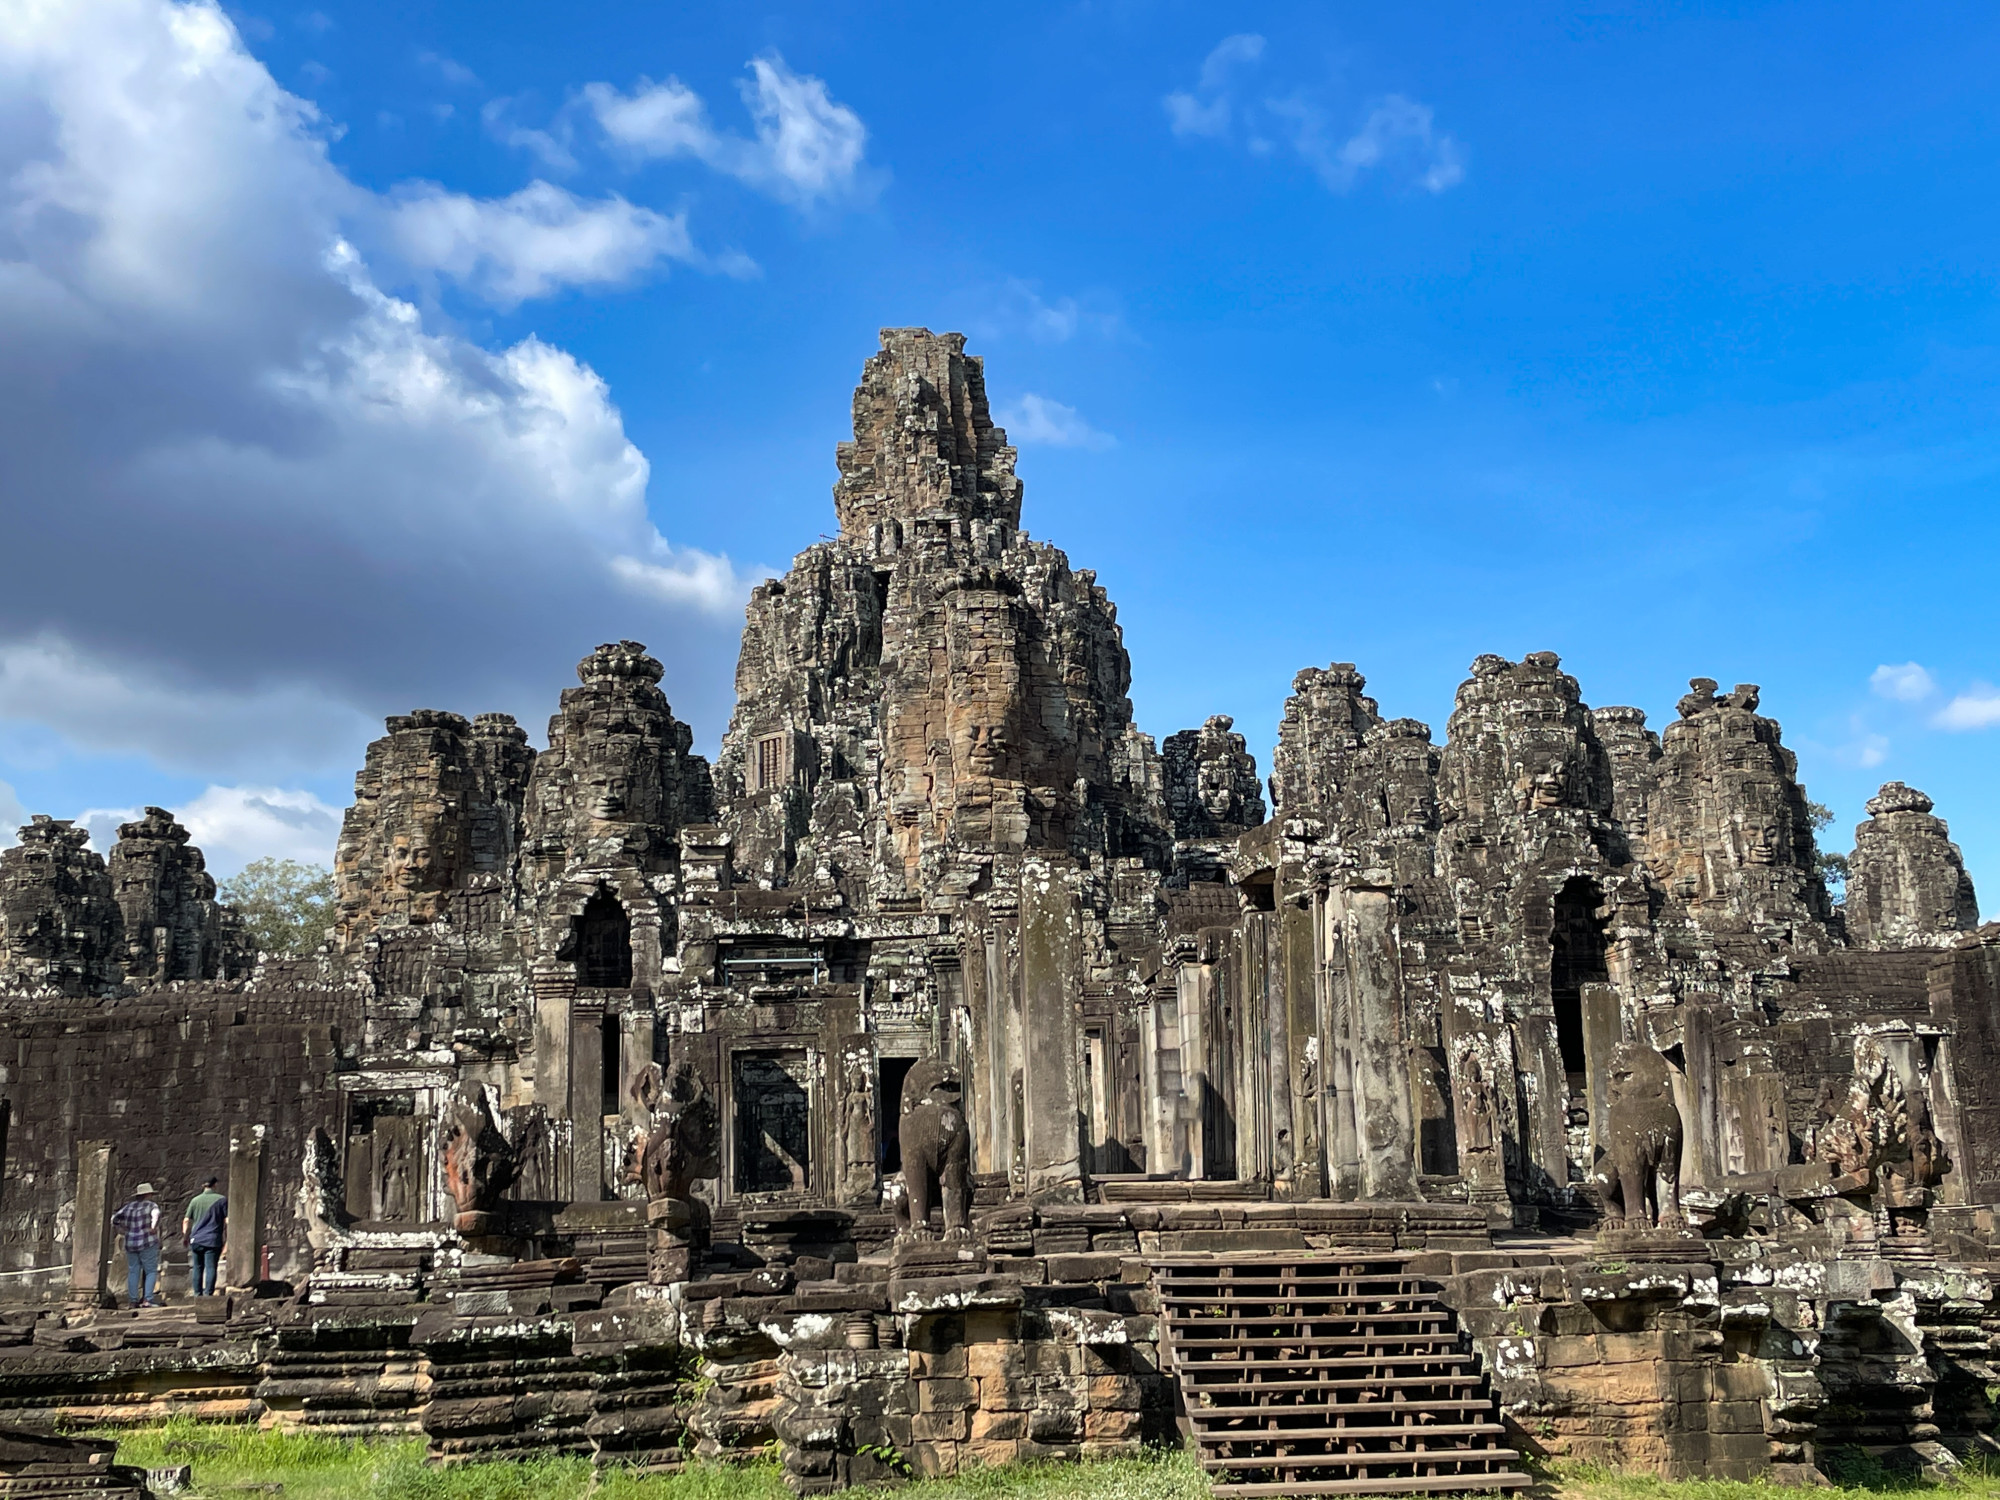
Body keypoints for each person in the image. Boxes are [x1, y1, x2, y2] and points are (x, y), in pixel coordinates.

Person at [109, 1182, 163, 1308]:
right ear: (148, 1194)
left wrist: (122, 1228)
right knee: (150, 1271)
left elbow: (114, 1219)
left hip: (131, 1242)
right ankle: (148, 1299)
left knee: (133, 1271)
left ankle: (133, 1300)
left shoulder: (129, 1207)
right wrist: (153, 1227)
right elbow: (156, 1214)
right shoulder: (151, 1205)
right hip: (147, 1241)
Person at [182, 1177, 227, 1297]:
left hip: (196, 1239)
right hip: (212, 1239)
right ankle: (208, 1295)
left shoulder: (195, 1200)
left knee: (197, 1267)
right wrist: (227, 1240)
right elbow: (228, 1221)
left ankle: (197, 1294)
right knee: (211, 1267)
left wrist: (185, 1237)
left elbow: (186, 1221)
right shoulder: (221, 1200)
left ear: (203, 1185)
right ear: (215, 1185)